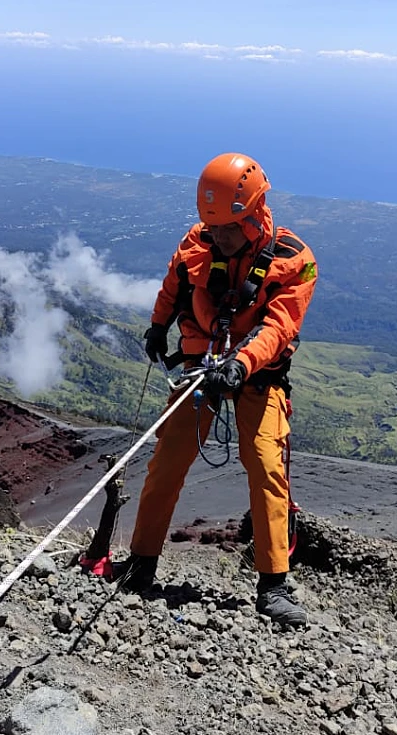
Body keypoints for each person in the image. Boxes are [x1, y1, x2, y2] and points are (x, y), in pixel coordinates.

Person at [118, 153, 318, 626]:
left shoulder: (295, 262)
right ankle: (141, 564)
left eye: (229, 227)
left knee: (266, 464)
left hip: (257, 375)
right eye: (214, 225)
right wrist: (158, 323)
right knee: (168, 459)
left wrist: (241, 364)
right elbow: (176, 278)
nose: (219, 236)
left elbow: (279, 328)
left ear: (254, 213)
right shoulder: (200, 239)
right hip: (200, 367)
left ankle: (274, 585)